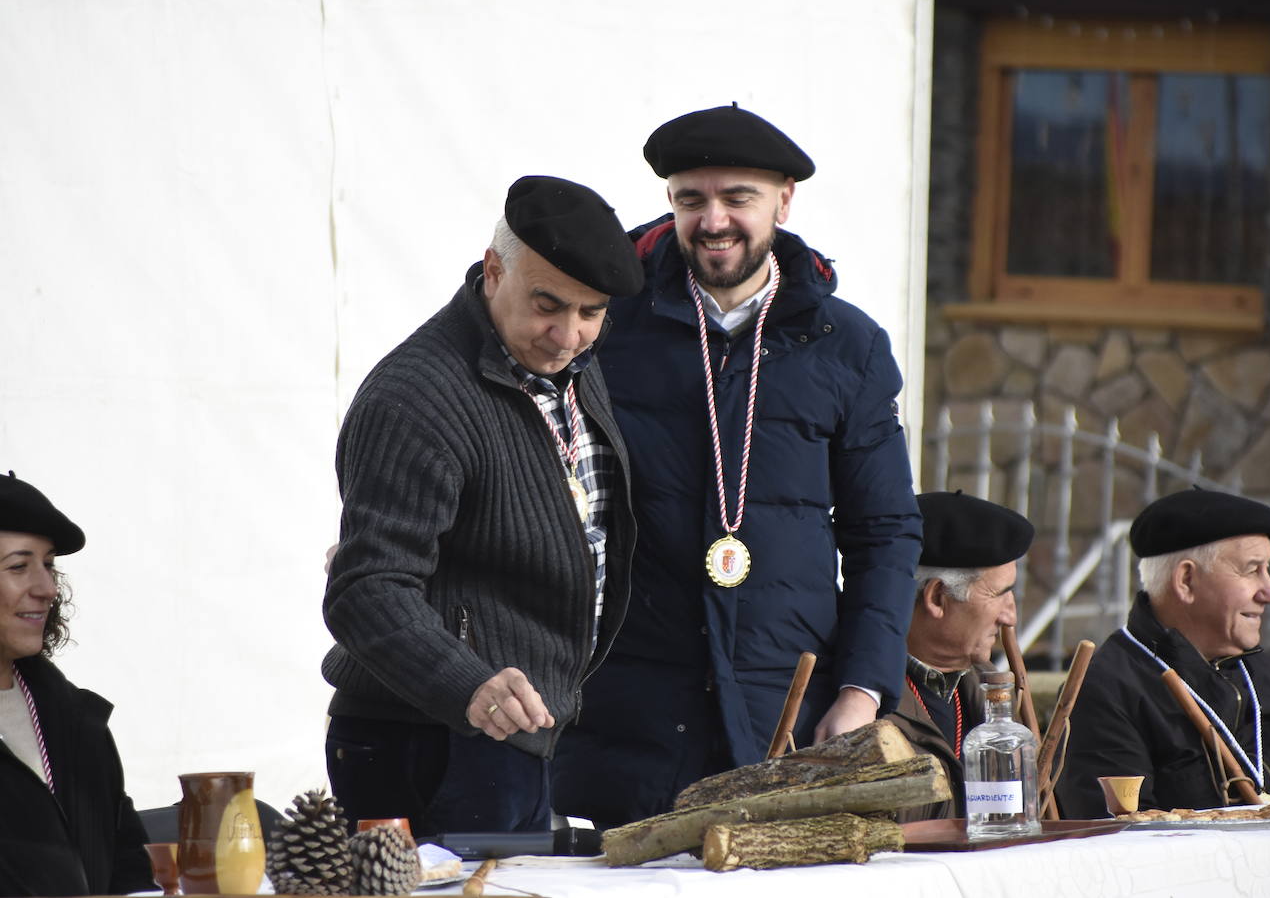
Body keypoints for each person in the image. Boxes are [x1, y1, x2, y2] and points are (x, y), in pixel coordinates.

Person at [552, 105, 923, 827]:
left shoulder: (847, 344)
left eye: (737, 198)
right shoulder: (605, 324)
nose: (713, 220)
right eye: (691, 199)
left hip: (784, 713)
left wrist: (861, 689)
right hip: (625, 715)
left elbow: (885, 531)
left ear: (785, 200)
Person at [321, 176, 643, 836]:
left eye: (591, 312)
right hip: (422, 740)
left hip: (517, 738)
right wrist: (468, 684)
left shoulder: (573, 364)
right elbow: (364, 587)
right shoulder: (416, 396)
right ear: (493, 269)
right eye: (548, 304)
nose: (567, 335)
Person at [1057, 488, 1270, 817]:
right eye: (1252, 570)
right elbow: (1121, 841)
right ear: (1186, 580)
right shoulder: (1107, 690)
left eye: (1268, 570)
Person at [0, 471, 155, 896]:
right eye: (18, 566)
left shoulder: (76, 722)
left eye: (48, 565)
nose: (47, 588)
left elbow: (129, 865)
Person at [884, 491, 1033, 821]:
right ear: (937, 597)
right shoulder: (862, 696)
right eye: (998, 594)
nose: (1010, 616)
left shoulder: (992, 691)